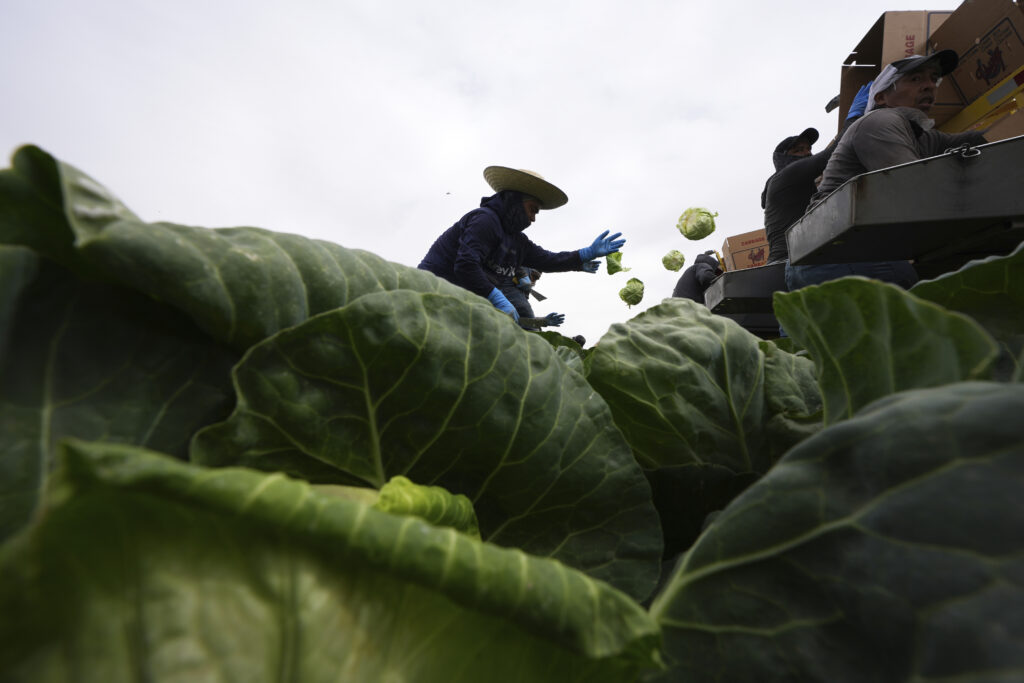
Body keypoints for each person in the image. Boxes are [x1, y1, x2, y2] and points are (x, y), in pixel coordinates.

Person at [787, 49, 988, 293]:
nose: (928, 86)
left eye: (933, 78)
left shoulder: (920, 135)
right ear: (881, 97)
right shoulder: (879, 123)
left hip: (826, 254)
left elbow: (972, 141)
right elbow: (914, 186)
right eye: (915, 79)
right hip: (834, 253)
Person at [418, 166, 625, 324]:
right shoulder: (485, 220)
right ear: (515, 201)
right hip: (429, 294)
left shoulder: (517, 241)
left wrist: (584, 255)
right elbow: (465, 265)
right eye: (532, 209)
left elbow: (548, 260)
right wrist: (495, 296)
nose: (533, 218)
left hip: (460, 305)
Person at [761, 84, 871, 264]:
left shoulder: (803, 183)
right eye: (799, 150)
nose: (807, 153)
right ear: (784, 157)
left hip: (799, 257)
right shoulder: (786, 175)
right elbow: (832, 154)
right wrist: (854, 116)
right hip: (790, 261)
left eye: (809, 149)